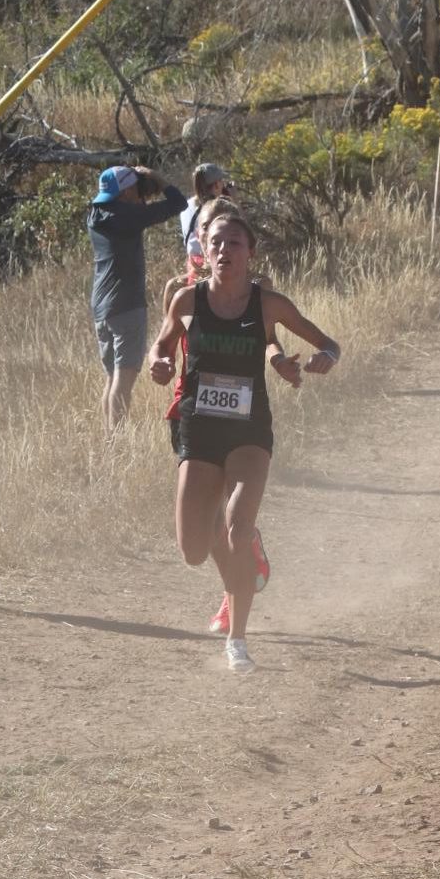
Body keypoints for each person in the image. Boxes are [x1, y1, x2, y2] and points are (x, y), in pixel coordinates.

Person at [149, 206, 339, 673]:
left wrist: (322, 359)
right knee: (194, 549)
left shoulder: (267, 303)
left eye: (233, 243)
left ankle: (238, 640)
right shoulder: (187, 301)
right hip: (200, 427)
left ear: (250, 253)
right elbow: (162, 344)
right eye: (215, 242)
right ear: (203, 251)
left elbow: (327, 342)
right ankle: (241, 545)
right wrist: (160, 363)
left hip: (250, 428)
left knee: (235, 525)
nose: (223, 250)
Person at [88, 162, 187, 432]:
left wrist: (138, 190)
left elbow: (134, 207)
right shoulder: (128, 216)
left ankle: (109, 439)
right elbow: (178, 203)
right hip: (127, 303)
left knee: (111, 378)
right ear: (128, 192)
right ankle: (117, 442)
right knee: (124, 377)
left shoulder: (96, 213)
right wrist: (157, 178)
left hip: (101, 306)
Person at [180, 163, 232, 271]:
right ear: (217, 185)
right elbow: (242, 229)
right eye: (222, 181)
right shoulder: (216, 208)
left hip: (193, 262)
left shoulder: (186, 205)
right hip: (211, 261)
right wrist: (235, 200)